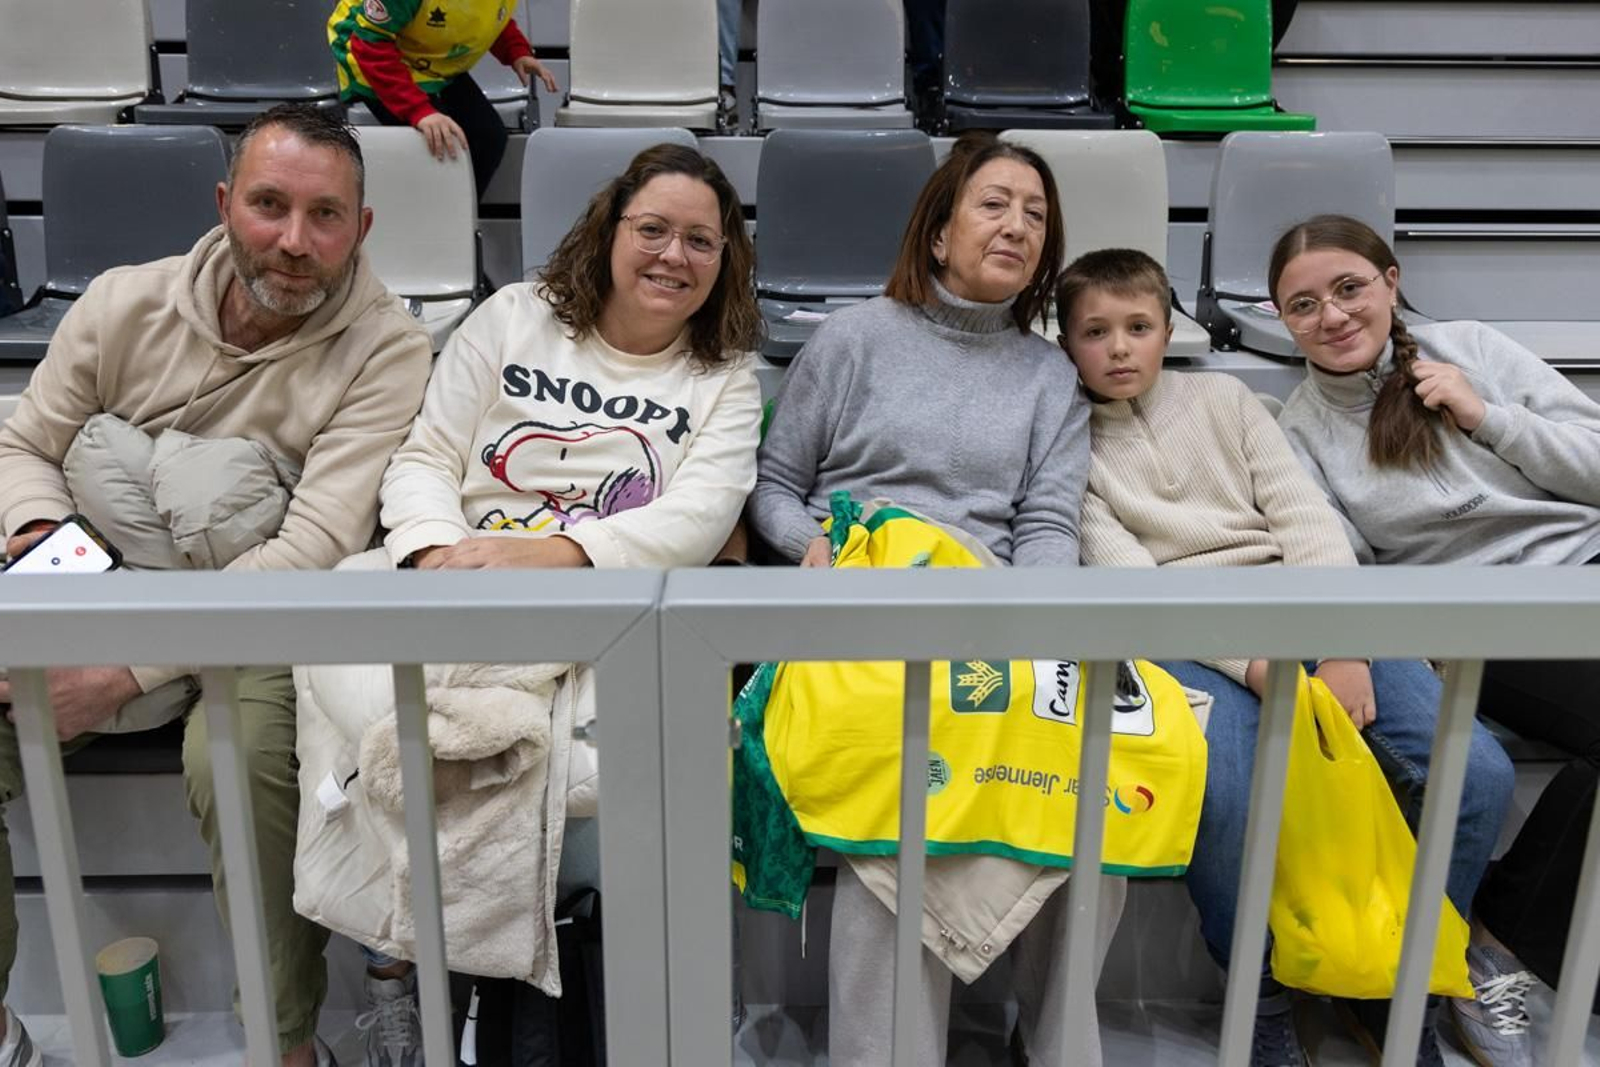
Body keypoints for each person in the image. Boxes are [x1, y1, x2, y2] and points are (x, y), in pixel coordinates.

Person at [290, 142, 763, 1066]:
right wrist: (434, 554)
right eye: (654, 229)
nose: (674, 255)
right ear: (610, 228)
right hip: (451, 580)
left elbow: (700, 517)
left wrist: (548, 554)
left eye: (701, 240)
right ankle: (425, 965)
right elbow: (426, 456)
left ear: (726, 260)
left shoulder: (726, 377)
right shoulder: (514, 317)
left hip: (604, 608)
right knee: (345, 604)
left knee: (558, 752)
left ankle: (433, 978)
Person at [0, 104, 433, 1067]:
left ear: (360, 230)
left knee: (237, 764)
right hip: (107, 588)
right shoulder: (121, 302)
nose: (294, 241)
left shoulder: (389, 349)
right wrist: (44, 549)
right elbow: (23, 442)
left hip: (264, 625)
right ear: (224, 203)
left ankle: (284, 1045)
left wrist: (122, 671)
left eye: (326, 216)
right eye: (270, 205)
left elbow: (313, 544)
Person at [1057, 246, 1516, 1067]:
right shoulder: (1068, 441)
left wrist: (1335, 641)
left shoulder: (1228, 398)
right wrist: (1259, 664)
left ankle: (1388, 971)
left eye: (1138, 326)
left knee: (1474, 773)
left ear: (1170, 330)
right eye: (1096, 332)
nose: (1120, 348)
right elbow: (1137, 588)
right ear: (1067, 344)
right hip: (1197, 649)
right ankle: (1260, 987)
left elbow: (1304, 519)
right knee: (1227, 798)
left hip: (1314, 608)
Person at [749, 131, 1116, 1066]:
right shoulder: (852, 338)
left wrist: (1026, 628)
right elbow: (774, 487)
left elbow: (1045, 526)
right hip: (861, 610)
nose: (1018, 226)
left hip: (989, 619)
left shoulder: (1049, 377)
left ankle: (1062, 1050)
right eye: (994, 204)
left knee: (1091, 792)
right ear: (940, 229)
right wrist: (813, 549)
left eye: (1037, 215)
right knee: (900, 790)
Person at [1271, 213, 1600, 1067]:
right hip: (1489, 619)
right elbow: (1334, 556)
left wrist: (1487, 415)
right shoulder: (1297, 428)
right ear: (1282, 322)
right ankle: (1500, 938)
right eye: (1302, 305)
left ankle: (1504, 925)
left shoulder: (1471, 346)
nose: (1332, 315)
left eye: (1349, 288)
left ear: (1390, 279)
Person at [328, 0, 560, 197]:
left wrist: (516, 51)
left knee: (488, 137)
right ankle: (429, 221)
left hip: (432, 58)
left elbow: (490, 17)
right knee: (441, 145)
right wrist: (419, 110)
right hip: (371, 57)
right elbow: (369, 43)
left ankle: (457, 217)